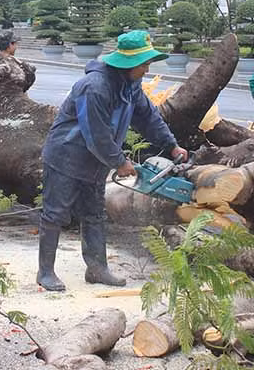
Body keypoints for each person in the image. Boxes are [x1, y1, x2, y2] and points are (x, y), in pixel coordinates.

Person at [37, 30, 189, 292]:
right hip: (66, 156)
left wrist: (171, 145)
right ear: (129, 64)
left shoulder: (130, 87)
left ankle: (97, 268)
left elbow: (148, 117)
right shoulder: (94, 87)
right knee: (56, 213)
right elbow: (95, 133)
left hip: (95, 162)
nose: (147, 68)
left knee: (94, 213)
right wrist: (119, 161)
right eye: (144, 64)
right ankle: (46, 272)